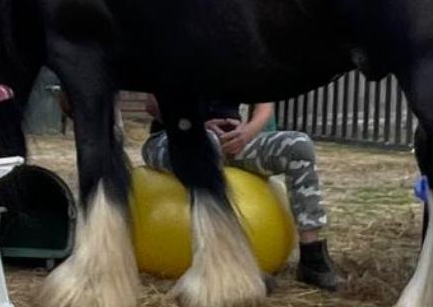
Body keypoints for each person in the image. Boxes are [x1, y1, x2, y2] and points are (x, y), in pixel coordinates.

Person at [140, 95, 340, 291]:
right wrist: (196, 126)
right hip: (174, 139)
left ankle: (311, 256)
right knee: (206, 144)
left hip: (232, 141)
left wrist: (247, 132)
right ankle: (233, 263)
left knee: (299, 145)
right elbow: (152, 104)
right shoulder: (175, 60)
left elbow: (265, 102)